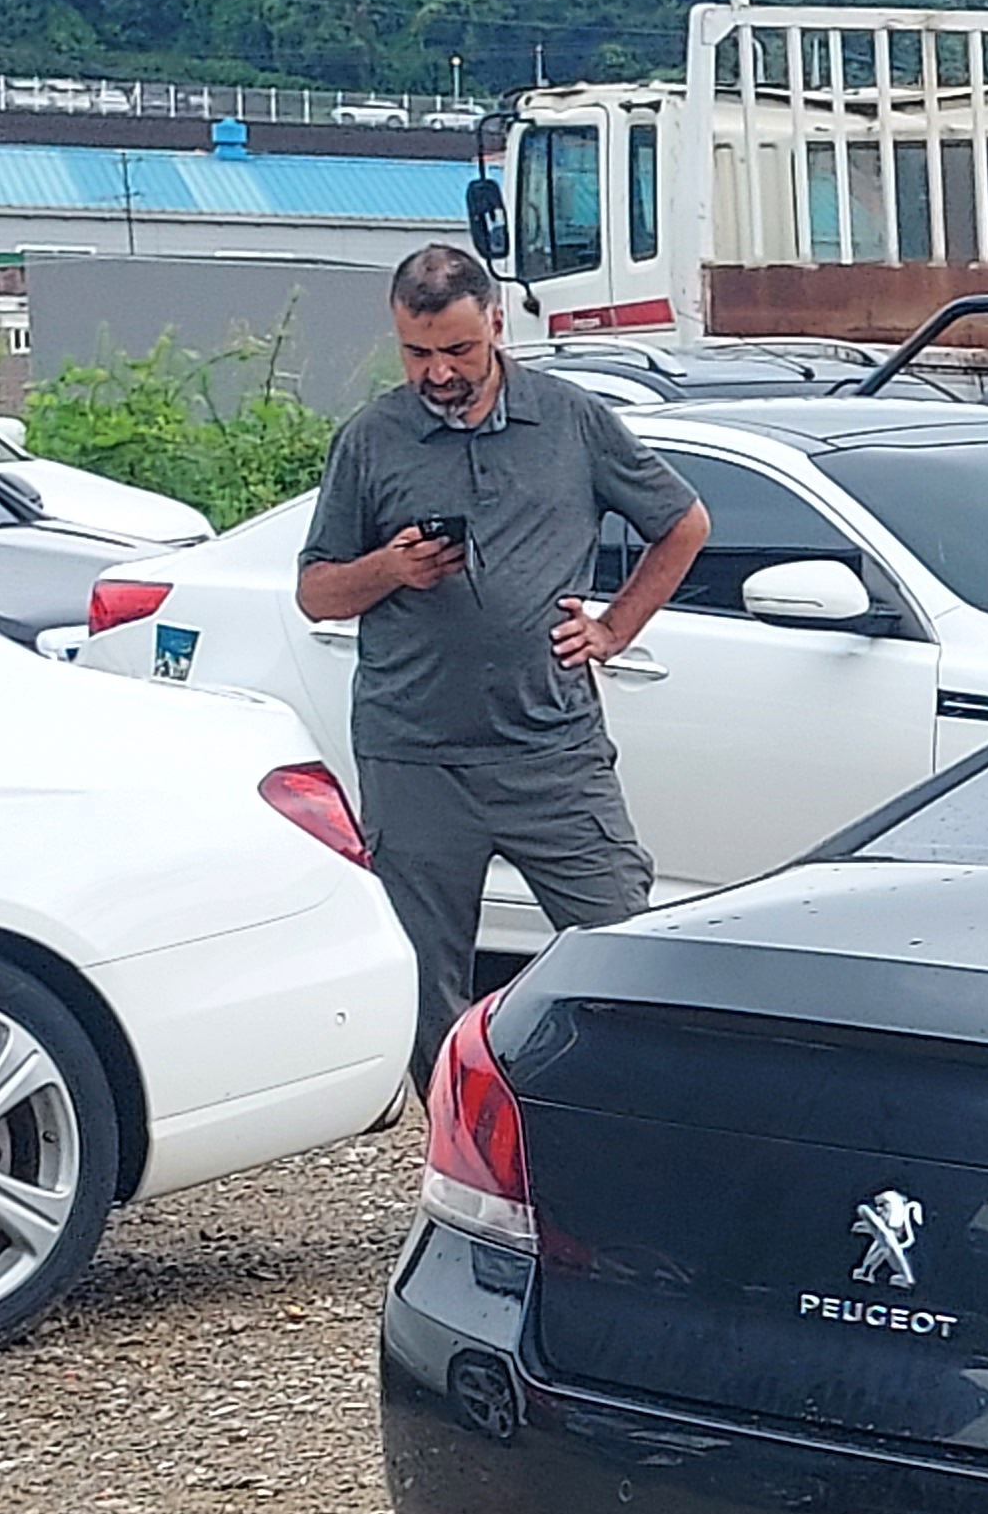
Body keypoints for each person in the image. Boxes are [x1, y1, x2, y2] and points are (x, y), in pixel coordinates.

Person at [297, 244, 711, 1082]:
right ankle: (463, 1164)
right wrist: (391, 569)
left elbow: (684, 522)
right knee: (426, 984)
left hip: (549, 751)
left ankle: (619, 1124)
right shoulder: (371, 438)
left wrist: (614, 628)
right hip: (414, 755)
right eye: (418, 353)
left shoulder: (570, 419)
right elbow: (316, 593)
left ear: (495, 323)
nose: (439, 373)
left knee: (619, 945)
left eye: (457, 349)